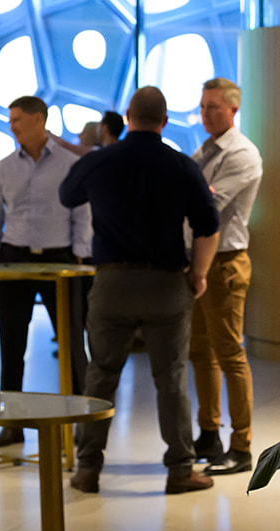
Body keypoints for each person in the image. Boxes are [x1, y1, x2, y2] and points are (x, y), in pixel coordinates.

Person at [58, 86, 220, 495]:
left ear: (127, 118)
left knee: (101, 374)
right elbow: (208, 224)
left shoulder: (100, 161)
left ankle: (88, 468)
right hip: (166, 284)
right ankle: (180, 470)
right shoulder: (181, 166)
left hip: (111, 283)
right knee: (171, 377)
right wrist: (199, 274)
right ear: (165, 121)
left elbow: (67, 196)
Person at [0, 95, 92, 447]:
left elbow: (83, 213)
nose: (11, 126)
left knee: (72, 344)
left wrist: (79, 254)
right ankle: (11, 424)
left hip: (61, 258)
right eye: (10, 120)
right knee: (11, 344)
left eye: (17, 119)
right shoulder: (3, 167)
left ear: (38, 120)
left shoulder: (69, 164)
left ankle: (81, 423)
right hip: (13, 258)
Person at [189, 77, 264, 475]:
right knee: (200, 351)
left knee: (230, 353)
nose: (206, 114)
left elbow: (208, 204)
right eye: (203, 106)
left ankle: (241, 444)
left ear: (234, 110)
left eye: (214, 107)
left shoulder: (242, 153)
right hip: (199, 260)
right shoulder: (204, 150)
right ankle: (208, 433)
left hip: (226, 261)